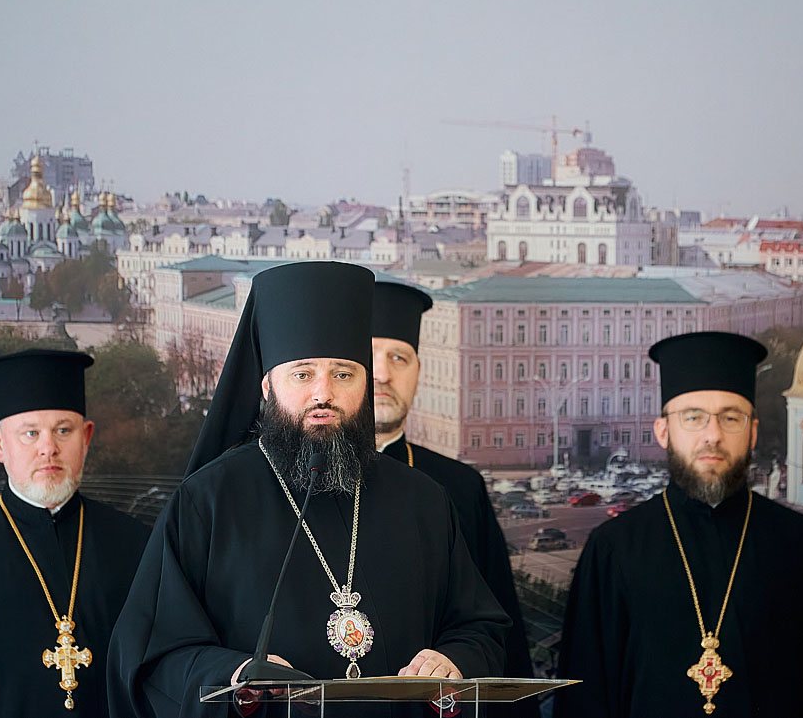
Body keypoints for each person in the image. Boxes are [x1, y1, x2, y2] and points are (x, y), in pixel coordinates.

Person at [108, 261, 510, 717]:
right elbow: (155, 654)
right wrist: (234, 675)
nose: (324, 394)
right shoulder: (208, 501)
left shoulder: (423, 500)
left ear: (364, 384)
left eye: (343, 374)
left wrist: (455, 659)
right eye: (303, 374)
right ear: (267, 387)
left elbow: (480, 628)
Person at [555, 332, 803, 718]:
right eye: (693, 417)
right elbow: (585, 695)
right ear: (663, 432)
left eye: (731, 417)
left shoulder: (800, 544)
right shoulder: (614, 549)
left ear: (753, 432)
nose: (713, 435)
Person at [0, 349, 150, 718]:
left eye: (63, 430)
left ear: (86, 437)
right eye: (30, 433)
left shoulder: (137, 546)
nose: (48, 448)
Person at [371, 280, 539, 717]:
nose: (383, 374)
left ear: (419, 372)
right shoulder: (292, 484)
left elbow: (496, 629)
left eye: (399, 358)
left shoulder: (460, 486)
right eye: (368, 357)